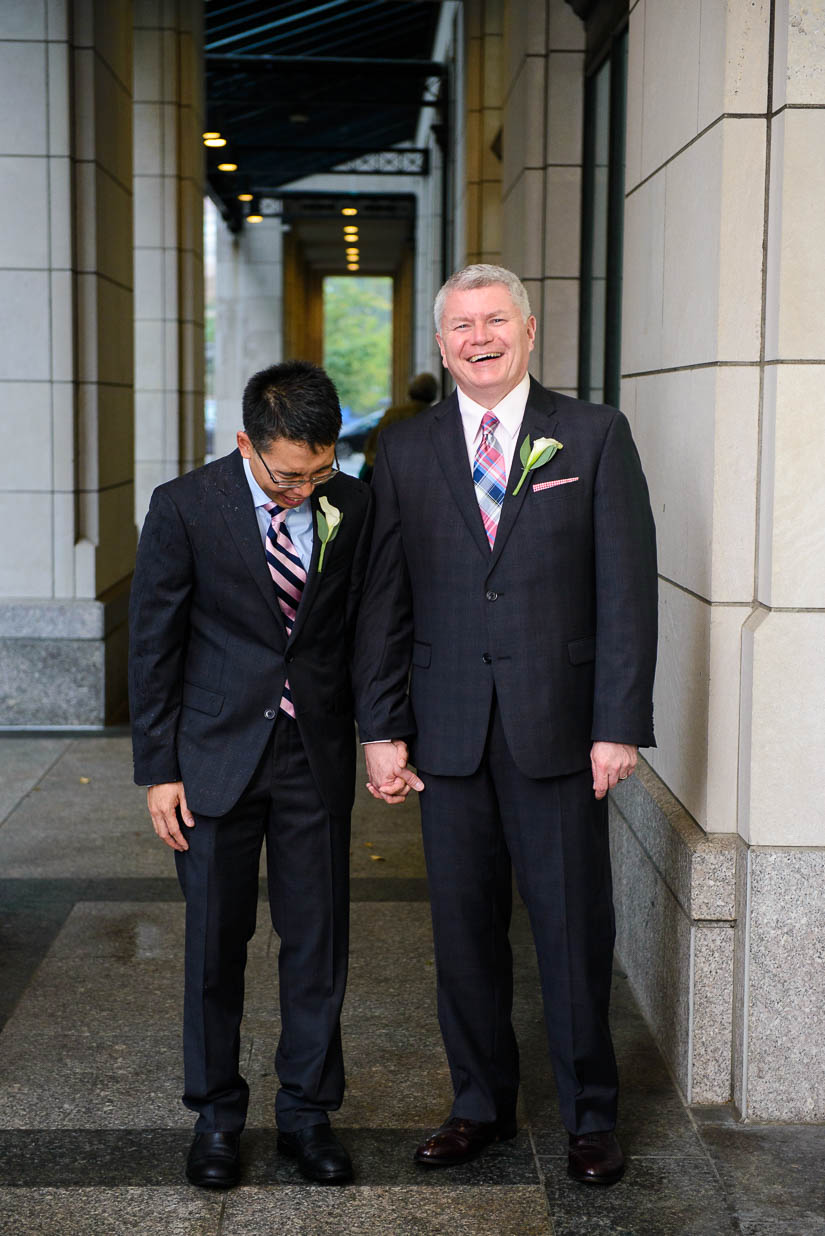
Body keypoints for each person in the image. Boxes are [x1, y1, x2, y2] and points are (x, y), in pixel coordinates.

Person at [354, 264, 657, 1186]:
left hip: (559, 729)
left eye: (493, 320)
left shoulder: (594, 435)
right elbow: (383, 602)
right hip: (446, 732)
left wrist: (617, 725)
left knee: (572, 928)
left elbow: (626, 593)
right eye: (459, 325)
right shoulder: (402, 453)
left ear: (529, 331)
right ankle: (477, 1104)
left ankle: (589, 1116)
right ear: (439, 345)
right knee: (463, 933)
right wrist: (380, 726)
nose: (476, 337)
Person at [129, 360, 373, 1190]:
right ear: (246, 444)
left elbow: (363, 628)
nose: (305, 489)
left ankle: (306, 1113)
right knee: (214, 943)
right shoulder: (185, 507)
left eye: (319, 470)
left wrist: (382, 734)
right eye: (287, 474)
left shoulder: (354, 503)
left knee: (316, 941)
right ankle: (217, 1117)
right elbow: (153, 645)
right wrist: (158, 770)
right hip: (212, 758)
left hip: (315, 754)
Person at [360, 371, 439, 479]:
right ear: (434, 394)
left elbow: (372, 446)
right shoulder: (437, 418)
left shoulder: (393, 414)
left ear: (410, 391)